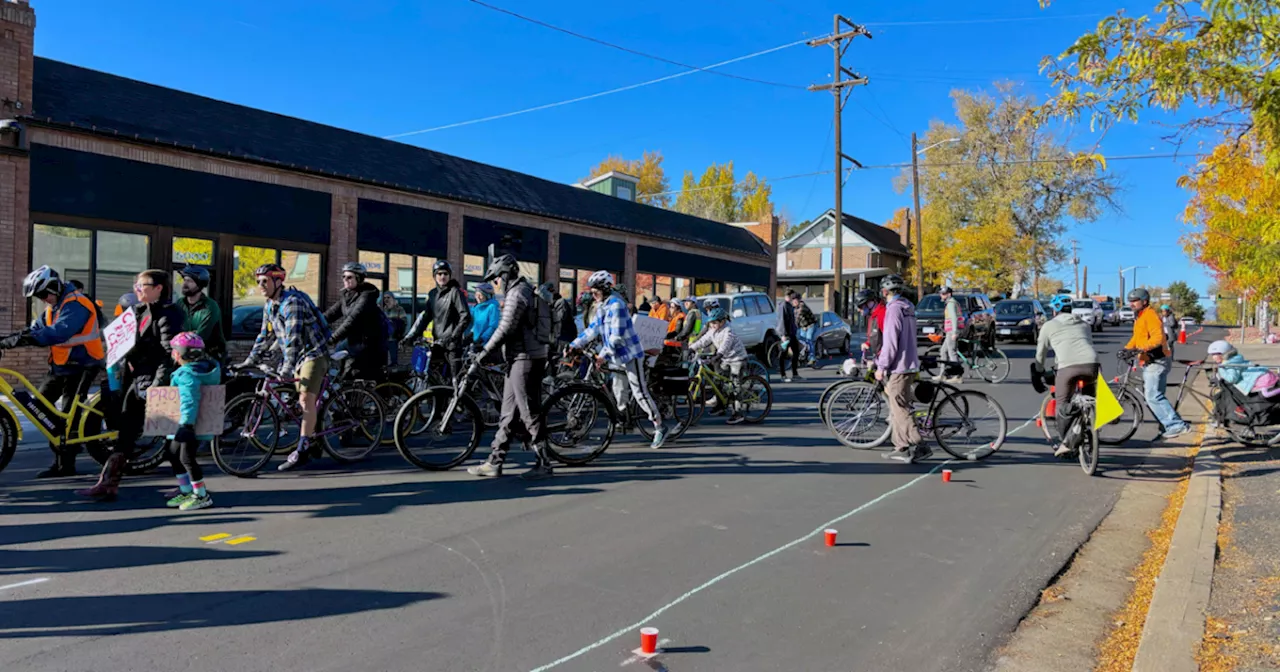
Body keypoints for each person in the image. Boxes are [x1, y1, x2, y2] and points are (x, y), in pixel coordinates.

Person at [78, 269, 185, 499]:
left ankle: (188, 486)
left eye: (143, 285)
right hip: (137, 380)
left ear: (159, 288)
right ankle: (108, 483)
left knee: (171, 436)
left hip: (159, 381)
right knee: (126, 431)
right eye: (136, 285)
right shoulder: (137, 311)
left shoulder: (169, 314)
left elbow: (169, 354)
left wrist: (158, 385)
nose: (138, 289)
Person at [0, 266, 106, 478]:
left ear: (54, 287)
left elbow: (59, 333)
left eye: (42, 294)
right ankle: (65, 442)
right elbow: (35, 330)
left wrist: (16, 341)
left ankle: (65, 463)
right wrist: (6, 340)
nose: (42, 299)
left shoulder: (77, 304)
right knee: (38, 406)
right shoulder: (53, 308)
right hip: (61, 366)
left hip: (84, 364)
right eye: (38, 296)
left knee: (69, 411)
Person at [238, 263, 333, 472]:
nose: (261, 286)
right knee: (294, 396)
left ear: (278, 282)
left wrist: (286, 369)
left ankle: (303, 448)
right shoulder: (269, 305)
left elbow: (293, 340)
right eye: (258, 282)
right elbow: (265, 335)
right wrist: (250, 360)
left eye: (265, 281)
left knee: (305, 398)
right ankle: (314, 435)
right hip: (296, 355)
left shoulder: (292, 303)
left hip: (312, 354)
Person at [467, 255, 554, 479]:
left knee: (528, 411)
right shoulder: (518, 291)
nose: (495, 285)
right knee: (508, 414)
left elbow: (505, 328)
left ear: (505, 276)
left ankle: (544, 462)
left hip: (526, 358)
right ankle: (495, 462)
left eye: (495, 280)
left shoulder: (517, 293)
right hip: (518, 357)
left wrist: (484, 353)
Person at [568, 271, 668, 449]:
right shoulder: (603, 306)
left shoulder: (617, 306)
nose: (593, 296)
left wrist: (602, 355)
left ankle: (659, 426)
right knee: (618, 390)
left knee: (639, 392)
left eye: (595, 292)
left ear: (605, 289)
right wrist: (574, 344)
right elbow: (592, 329)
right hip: (616, 356)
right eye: (591, 292)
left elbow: (616, 337)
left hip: (630, 354)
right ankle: (624, 419)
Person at [162, 332, 220, 511]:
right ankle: (186, 490)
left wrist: (186, 424)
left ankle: (201, 495)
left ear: (179, 354)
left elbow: (189, 399)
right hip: (190, 421)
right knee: (173, 453)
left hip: (189, 423)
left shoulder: (187, 375)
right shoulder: (204, 368)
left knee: (186, 457)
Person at [875, 274, 929, 463]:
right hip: (911, 362)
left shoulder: (894, 310)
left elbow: (890, 342)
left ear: (884, 292)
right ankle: (901, 446)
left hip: (899, 365)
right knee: (897, 405)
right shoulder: (908, 308)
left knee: (900, 408)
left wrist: (881, 366)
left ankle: (919, 443)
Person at [1034, 302, 1100, 457]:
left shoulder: (1049, 325)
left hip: (1068, 368)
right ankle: (1091, 426)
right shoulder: (1084, 324)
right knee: (1091, 397)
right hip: (1092, 364)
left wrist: (1038, 371)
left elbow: (1041, 351)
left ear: (1054, 310)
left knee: (1062, 405)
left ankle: (1066, 445)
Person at [1124, 288, 1190, 439]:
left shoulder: (1150, 315)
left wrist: (1141, 348)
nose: (1132, 304)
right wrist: (1127, 348)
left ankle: (1176, 425)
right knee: (1155, 395)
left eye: (1135, 301)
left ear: (1144, 301)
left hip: (1157, 360)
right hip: (1149, 359)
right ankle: (1166, 425)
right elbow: (1137, 337)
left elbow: (1157, 338)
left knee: (1153, 395)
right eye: (1130, 301)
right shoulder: (1140, 316)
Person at [403, 260, 472, 383]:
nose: (442, 277)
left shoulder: (455, 292)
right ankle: (439, 402)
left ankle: (459, 401)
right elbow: (426, 317)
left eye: (445, 274)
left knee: (455, 380)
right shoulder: (432, 294)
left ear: (449, 275)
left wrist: (453, 336)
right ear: (434, 276)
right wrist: (413, 336)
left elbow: (465, 316)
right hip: (438, 344)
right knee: (434, 379)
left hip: (452, 345)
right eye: (439, 274)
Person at [324, 262, 388, 383]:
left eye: (349, 277)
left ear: (359, 278)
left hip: (368, 342)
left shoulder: (367, 295)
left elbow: (352, 319)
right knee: (329, 358)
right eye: (343, 276)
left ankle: (348, 392)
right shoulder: (346, 295)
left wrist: (333, 338)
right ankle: (341, 390)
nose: (345, 279)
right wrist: (313, 322)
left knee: (349, 373)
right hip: (353, 340)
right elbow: (331, 314)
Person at [688, 306, 748, 424]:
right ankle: (721, 406)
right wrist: (692, 348)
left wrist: (717, 356)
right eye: (710, 323)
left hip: (737, 359)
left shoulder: (728, 331)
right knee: (719, 381)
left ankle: (738, 413)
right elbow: (703, 340)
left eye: (715, 323)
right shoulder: (712, 331)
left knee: (735, 386)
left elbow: (725, 346)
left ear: (722, 322)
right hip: (726, 359)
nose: (712, 325)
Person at [176, 265, 227, 364]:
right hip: (182, 354)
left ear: (200, 284)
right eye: (184, 280)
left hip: (209, 356)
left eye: (189, 281)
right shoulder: (179, 304)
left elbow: (200, 337)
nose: (185, 284)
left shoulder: (210, 306)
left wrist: (183, 337)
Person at [938, 286, 964, 384]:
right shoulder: (951, 303)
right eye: (941, 293)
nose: (941, 295)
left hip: (951, 331)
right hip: (949, 331)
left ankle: (958, 375)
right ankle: (943, 375)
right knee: (943, 351)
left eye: (943, 293)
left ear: (949, 294)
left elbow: (954, 318)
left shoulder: (951, 304)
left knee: (951, 352)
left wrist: (954, 332)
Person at [776, 290, 801, 382]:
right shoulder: (783, 306)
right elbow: (782, 320)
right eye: (792, 296)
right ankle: (783, 375)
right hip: (786, 334)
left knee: (796, 352)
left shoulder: (789, 305)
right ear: (789, 296)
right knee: (783, 354)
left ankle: (795, 374)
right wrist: (783, 335)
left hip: (791, 333)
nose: (793, 298)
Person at [470, 282, 501, 347]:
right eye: (476, 294)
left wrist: (482, 339)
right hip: (477, 342)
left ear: (487, 296)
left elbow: (493, 326)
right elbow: (476, 325)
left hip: (488, 344)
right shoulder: (477, 308)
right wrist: (471, 334)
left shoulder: (492, 307)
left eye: (480, 295)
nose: (478, 297)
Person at [856, 288, 885, 357]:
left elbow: (890, 342)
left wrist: (880, 361)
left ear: (870, 303)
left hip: (885, 359)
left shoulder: (882, 314)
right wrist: (868, 343)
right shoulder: (872, 316)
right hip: (879, 357)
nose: (859, 310)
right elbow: (874, 335)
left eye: (861, 306)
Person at [381, 292, 408, 365]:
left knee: (394, 358)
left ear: (393, 298)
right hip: (384, 337)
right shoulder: (383, 310)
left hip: (393, 338)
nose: (386, 300)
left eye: (388, 297)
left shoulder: (399, 309)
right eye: (385, 298)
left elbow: (404, 322)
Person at [549, 285, 578, 352]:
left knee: (561, 357)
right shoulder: (554, 304)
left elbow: (560, 320)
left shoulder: (560, 303)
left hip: (564, 337)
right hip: (561, 336)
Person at [661, 298, 687, 363]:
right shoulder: (674, 317)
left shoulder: (680, 317)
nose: (670, 309)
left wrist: (666, 336)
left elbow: (677, 331)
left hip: (675, 343)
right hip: (670, 341)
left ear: (678, 308)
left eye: (672, 307)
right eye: (670, 307)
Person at [794, 295, 818, 364]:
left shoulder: (802, 306)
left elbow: (797, 318)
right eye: (793, 301)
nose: (794, 302)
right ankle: (803, 355)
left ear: (799, 300)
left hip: (811, 325)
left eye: (795, 300)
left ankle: (812, 358)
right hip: (803, 326)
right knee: (801, 340)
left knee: (808, 339)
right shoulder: (795, 308)